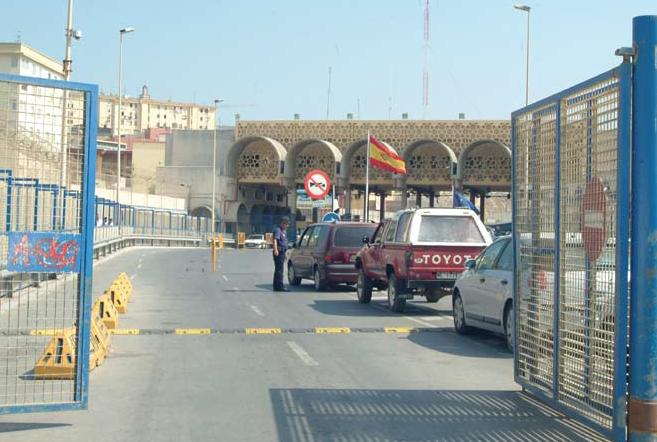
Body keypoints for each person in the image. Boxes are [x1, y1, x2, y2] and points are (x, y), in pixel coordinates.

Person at [272, 217, 290, 292]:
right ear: (282, 223)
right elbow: (275, 240)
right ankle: (280, 286)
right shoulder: (278, 230)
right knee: (280, 270)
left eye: (287, 224)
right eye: (286, 224)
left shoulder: (283, 231)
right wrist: (275, 249)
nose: (287, 226)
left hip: (282, 252)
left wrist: (285, 253)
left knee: (278, 269)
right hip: (278, 252)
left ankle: (276, 286)